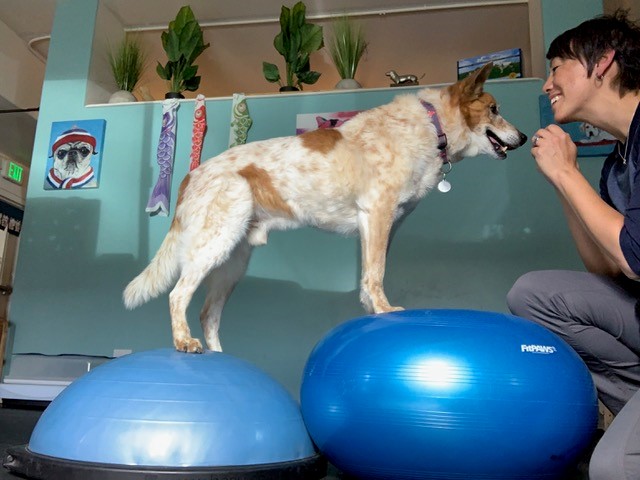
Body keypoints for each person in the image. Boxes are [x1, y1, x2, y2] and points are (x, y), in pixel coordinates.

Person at [506, 10, 640, 480]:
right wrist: (567, 181)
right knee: (533, 295)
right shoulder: (618, 161)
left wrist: (565, 172)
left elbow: (636, 259)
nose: (547, 84)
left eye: (557, 66)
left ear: (602, 63)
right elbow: (606, 269)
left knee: (612, 468)